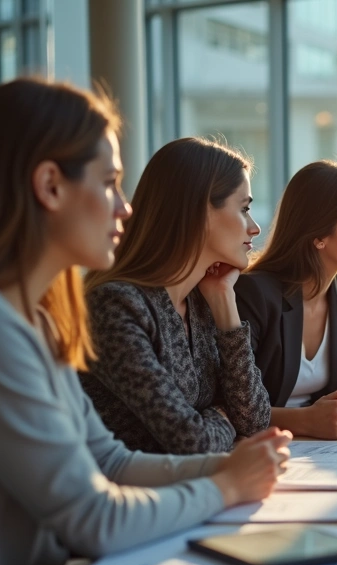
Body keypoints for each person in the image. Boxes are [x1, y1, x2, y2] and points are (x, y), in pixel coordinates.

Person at [0, 79, 291, 565]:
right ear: (50, 186)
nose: (125, 208)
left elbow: (110, 462)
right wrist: (226, 484)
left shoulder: (36, 321)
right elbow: (95, 517)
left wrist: (231, 463)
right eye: (110, 183)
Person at [80, 137, 272, 454]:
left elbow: (254, 422)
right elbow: (190, 442)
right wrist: (224, 417)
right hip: (130, 495)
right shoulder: (116, 306)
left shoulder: (201, 301)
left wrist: (225, 304)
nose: (255, 228)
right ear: (199, 212)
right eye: (244, 209)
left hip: (194, 489)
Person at [235, 160, 337, 440]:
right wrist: (304, 421)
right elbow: (235, 406)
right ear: (319, 235)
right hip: (259, 450)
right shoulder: (254, 293)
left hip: (321, 450)